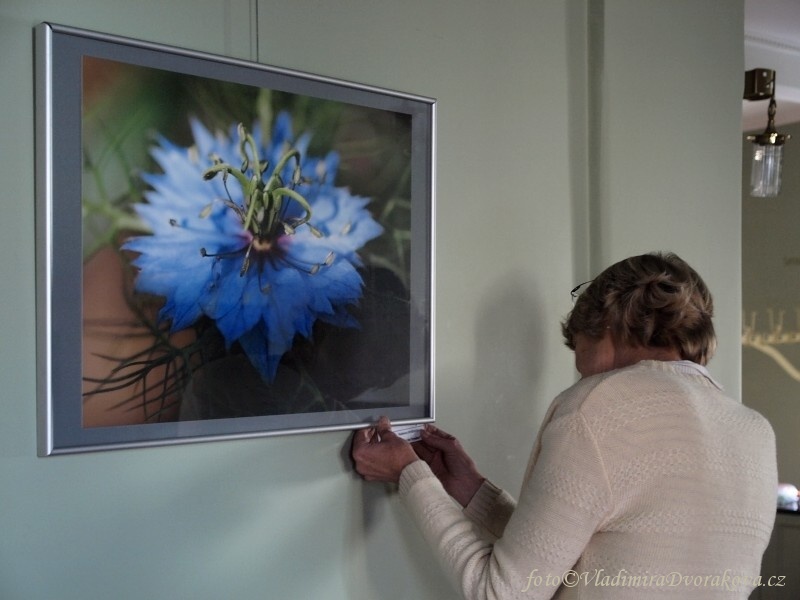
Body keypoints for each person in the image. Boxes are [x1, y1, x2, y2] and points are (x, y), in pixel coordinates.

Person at [351, 252, 778, 599]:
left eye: (581, 356)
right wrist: (473, 491)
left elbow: (502, 593)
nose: (582, 376)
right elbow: (597, 557)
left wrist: (409, 474)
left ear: (605, 324)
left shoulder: (595, 405)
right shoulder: (755, 432)